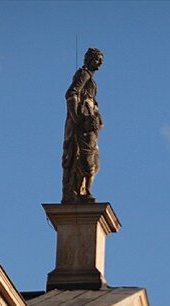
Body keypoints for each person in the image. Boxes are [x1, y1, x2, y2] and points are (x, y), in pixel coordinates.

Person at [62, 48, 104, 203]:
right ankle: (83, 190)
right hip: (83, 121)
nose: (99, 64)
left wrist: (98, 118)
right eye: (97, 60)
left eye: (100, 61)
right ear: (89, 59)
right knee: (85, 157)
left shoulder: (90, 77)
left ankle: (84, 189)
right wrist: (76, 117)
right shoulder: (84, 74)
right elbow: (71, 93)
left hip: (90, 120)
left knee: (93, 159)